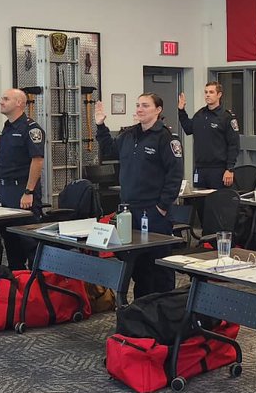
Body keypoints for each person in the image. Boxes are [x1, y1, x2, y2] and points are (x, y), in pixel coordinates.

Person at [95, 93, 183, 297]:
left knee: (158, 265)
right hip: (129, 210)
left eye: (145, 105)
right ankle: (141, 308)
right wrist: (101, 126)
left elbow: (175, 174)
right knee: (137, 263)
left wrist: (162, 205)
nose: (139, 109)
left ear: (158, 110)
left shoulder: (166, 138)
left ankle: (163, 307)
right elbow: (109, 150)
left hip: (154, 211)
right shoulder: (129, 135)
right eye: (137, 105)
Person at [0, 88, 45, 269]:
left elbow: (37, 161)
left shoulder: (31, 128)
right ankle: (17, 281)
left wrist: (29, 191)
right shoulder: (8, 126)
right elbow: (0, 151)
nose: (1, 102)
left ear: (19, 103)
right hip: (5, 191)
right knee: (10, 241)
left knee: (29, 241)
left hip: (22, 191)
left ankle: (36, 285)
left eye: (5, 99)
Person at [177, 82, 240, 189]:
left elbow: (234, 145)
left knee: (217, 202)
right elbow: (188, 129)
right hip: (200, 168)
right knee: (199, 202)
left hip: (219, 169)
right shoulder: (200, 114)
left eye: (211, 92)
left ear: (219, 95)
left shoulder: (226, 117)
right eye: (206, 92)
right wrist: (181, 111)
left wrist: (230, 169)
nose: (207, 95)